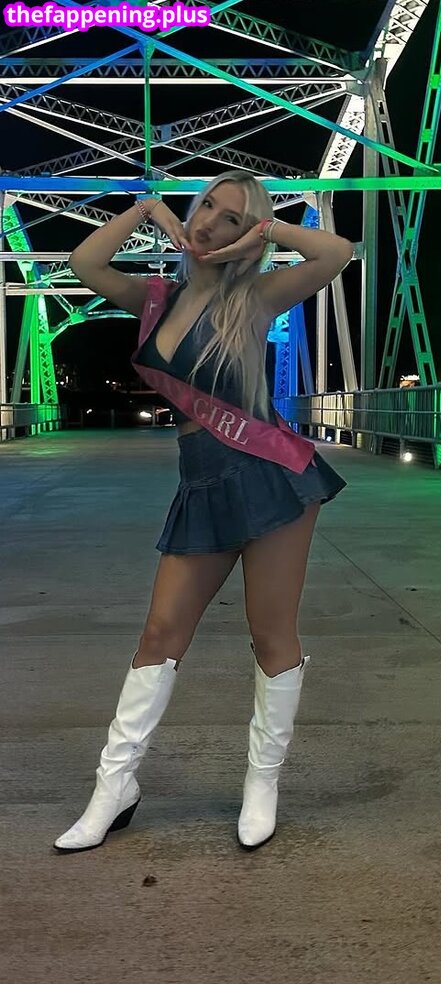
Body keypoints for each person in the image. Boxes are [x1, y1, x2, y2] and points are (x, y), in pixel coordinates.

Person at [53, 169, 352, 855]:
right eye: (207, 206)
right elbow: (85, 262)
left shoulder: (257, 296)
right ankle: (114, 786)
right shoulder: (155, 299)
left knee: (270, 634)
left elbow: (335, 253)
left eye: (230, 218)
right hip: (200, 483)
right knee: (160, 634)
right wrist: (148, 209)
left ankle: (261, 784)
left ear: (246, 235)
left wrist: (266, 230)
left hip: (272, 481)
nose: (210, 222)